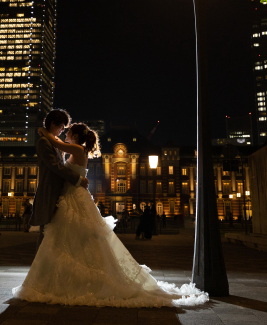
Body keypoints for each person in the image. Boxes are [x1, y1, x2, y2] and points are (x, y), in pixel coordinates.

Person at [12, 120, 207, 308]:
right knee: (78, 237)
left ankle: (71, 278)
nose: (65, 133)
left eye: (68, 131)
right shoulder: (78, 149)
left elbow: (56, 144)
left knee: (73, 235)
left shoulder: (77, 149)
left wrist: (44, 132)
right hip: (73, 196)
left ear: (76, 136)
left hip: (74, 196)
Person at [29, 109, 89, 251]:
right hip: (49, 192)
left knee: (55, 233)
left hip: (60, 192)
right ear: (53, 124)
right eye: (61, 126)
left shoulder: (54, 141)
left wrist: (44, 131)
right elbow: (56, 166)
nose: (63, 130)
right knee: (46, 233)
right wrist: (78, 179)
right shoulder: (44, 142)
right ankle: (40, 263)